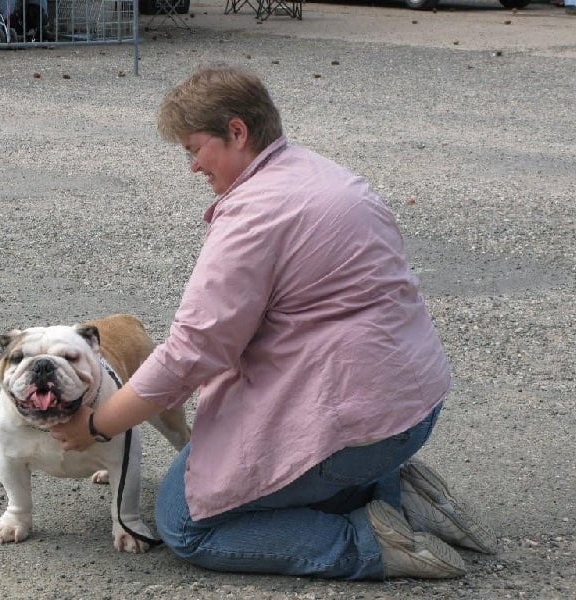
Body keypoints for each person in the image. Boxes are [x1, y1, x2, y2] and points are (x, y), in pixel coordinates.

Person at [51, 65, 498, 580]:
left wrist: (96, 425)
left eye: (195, 149)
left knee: (187, 522)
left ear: (237, 132)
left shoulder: (253, 215)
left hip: (361, 430)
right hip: (415, 404)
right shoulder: (324, 173)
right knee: (229, 467)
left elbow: (193, 351)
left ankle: (371, 541)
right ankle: (396, 492)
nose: (193, 166)